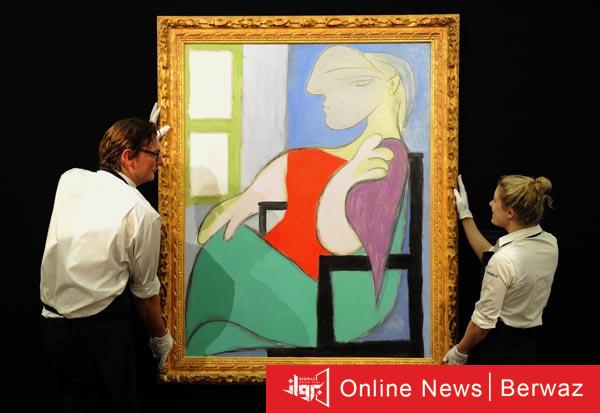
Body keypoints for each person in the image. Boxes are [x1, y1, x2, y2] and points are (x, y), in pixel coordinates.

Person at [186, 45, 417, 355]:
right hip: (299, 278)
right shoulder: (320, 158)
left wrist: (342, 182)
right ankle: (195, 358)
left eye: (353, 84)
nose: (327, 102)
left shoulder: (385, 158)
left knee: (228, 251)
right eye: (325, 94)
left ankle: (192, 359)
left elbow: (339, 242)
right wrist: (250, 197)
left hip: (334, 296)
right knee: (226, 250)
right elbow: (209, 231)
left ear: (390, 87)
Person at [40, 103, 173, 411]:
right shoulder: (142, 214)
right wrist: (161, 338)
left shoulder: (70, 179)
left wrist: (144, 138)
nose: (161, 161)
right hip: (100, 335)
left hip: (53, 329)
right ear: (128, 156)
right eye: (155, 154)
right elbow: (145, 294)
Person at [444, 175, 558, 364]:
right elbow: (492, 257)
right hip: (529, 346)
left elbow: (482, 324)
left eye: (495, 201)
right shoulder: (549, 243)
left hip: (501, 352)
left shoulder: (504, 259)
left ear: (510, 213)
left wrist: (460, 352)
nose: (490, 204)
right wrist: (466, 216)